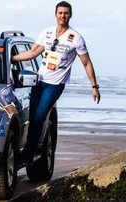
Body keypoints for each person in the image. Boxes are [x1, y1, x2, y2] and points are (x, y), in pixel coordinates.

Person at [11, 1, 101, 165]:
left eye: (66, 13)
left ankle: (27, 156)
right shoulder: (47, 32)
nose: (63, 16)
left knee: (39, 117)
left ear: (70, 15)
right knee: (32, 118)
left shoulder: (76, 39)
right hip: (39, 81)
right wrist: (10, 59)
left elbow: (87, 63)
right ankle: (30, 150)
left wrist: (94, 87)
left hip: (55, 85)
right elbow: (32, 53)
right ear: (55, 14)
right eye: (60, 13)